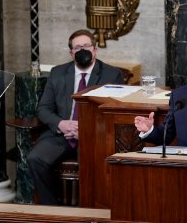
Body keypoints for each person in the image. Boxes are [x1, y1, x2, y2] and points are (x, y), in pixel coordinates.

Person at [27, 29, 124, 205]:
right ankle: (53, 211)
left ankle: (89, 211)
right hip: (61, 134)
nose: (82, 50)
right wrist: (60, 123)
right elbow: (43, 108)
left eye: (86, 46)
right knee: (35, 158)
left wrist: (87, 130)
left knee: (92, 166)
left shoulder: (112, 75)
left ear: (95, 49)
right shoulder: (58, 73)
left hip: (94, 137)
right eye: (77, 47)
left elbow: (115, 114)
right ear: (71, 53)